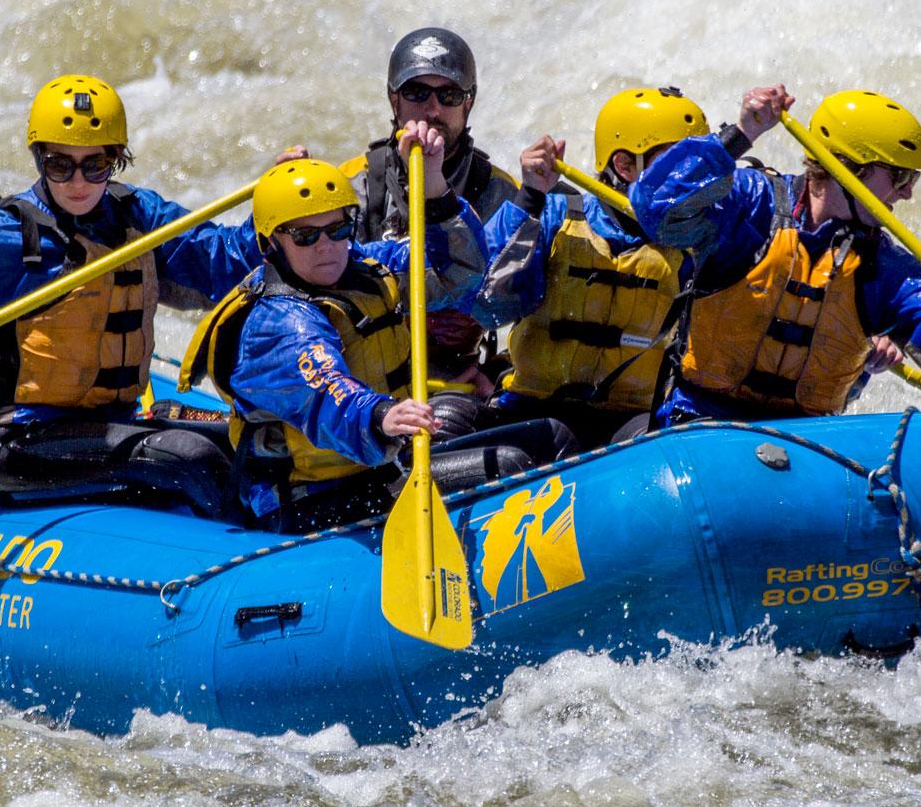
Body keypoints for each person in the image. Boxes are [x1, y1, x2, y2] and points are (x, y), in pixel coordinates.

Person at [0, 75, 264, 518]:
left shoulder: (140, 217)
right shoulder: (6, 236)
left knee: (252, 440)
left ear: (116, 160)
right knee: (188, 456)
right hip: (19, 441)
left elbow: (223, 261)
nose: (77, 182)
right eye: (59, 165)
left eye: (95, 166)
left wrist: (282, 209)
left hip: (112, 421)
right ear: (38, 159)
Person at [183, 133, 573, 534]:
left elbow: (461, 270)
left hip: (378, 468)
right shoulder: (278, 322)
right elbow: (325, 389)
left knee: (551, 437)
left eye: (337, 230)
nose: (326, 247)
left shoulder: (365, 267)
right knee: (509, 466)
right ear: (270, 244)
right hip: (312, 500)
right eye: (305, 236)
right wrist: (381, 414)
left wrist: (436, 185)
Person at [629, 86, 921, 424]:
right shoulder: (750, 206)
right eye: (900, 177)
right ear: (846, 168)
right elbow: (655, 206)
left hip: (811, 442)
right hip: (699, 419)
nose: (907, 193)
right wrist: (742, 133)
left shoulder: (880, 265)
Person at [475, 87, 710, 447]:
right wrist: (529, 197)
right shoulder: (554, 215)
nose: (687, 180)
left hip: (630, 421)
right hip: (533, 405)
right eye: (672, 164)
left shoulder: (694, 242)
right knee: (463, 422)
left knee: (661, 444)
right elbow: (486, 303)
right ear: (625, 165)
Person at [341, 27, 519, 394]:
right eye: (417, 93)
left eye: (449, 95)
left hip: (459, 380)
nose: (433, 110)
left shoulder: (502, 193)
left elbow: (517, 304)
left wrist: (499, 373)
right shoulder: (351, 186)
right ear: (394, 100)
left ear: (468, 103)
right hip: (365, 381)